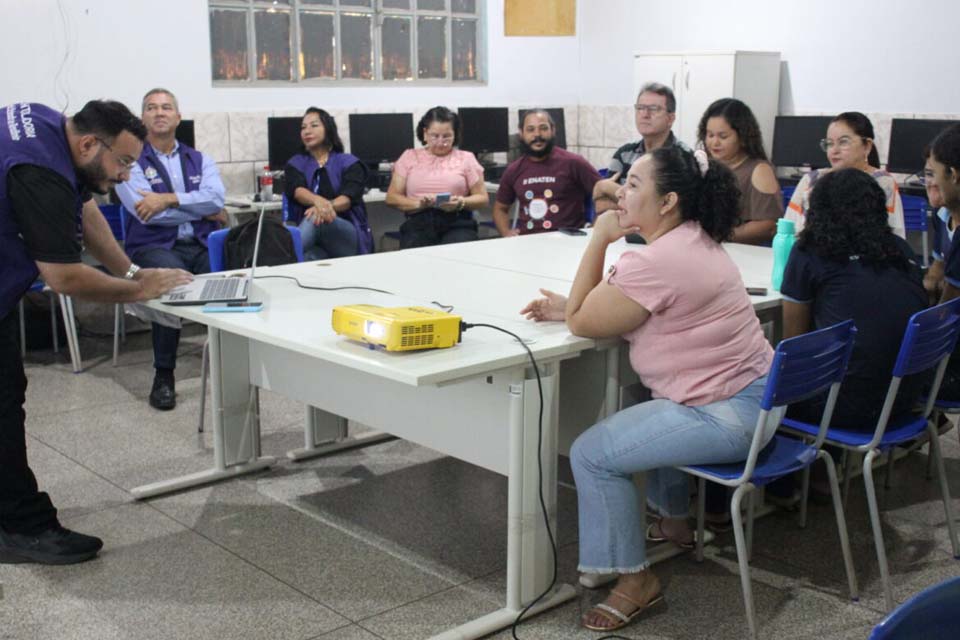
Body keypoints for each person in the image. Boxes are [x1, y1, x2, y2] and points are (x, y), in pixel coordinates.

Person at [521, 147, 772, 633]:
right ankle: (675, 522)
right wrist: (579, 307)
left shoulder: (653, 261)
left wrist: (598, 240)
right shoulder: (693, 237)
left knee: (591, 452)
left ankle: (635, 580)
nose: (619, 192)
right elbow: (620, 310)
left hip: (725, 415)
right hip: (757, 397)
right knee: (638, 396)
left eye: (633, 184)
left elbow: (583, 319)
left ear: (668, 201)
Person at [0, 100, 191, 565]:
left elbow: (87, 213)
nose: (127, 175)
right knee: (3, 403)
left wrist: (130, 273)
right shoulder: (39, 171)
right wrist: (138, 291)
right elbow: (64, 277)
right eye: (123, 161)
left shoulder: (47, 122)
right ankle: (23, 530)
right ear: (89, 143)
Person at [116, 88, 226, 411]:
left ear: (178, 117)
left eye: (166, 107)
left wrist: (168, 198)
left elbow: (217, 199)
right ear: (142, 119)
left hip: (202, 243)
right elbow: (143, 212)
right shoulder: (131, 162)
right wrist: (200, 208)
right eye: (151, 107)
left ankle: (231, 365)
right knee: (170, 280)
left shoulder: (200, 159)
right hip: (152, 247)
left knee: (230, 277)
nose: (159, 112)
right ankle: (164, 375)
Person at [785, 112, 905, 238]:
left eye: (843, 142)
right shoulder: (811, 180)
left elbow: (895, 237)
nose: (834, 150)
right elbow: (788, 231)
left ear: (867, 146)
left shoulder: (882, 182)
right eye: (830, 143)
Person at [385, 106, 489, 248]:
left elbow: (482, 198)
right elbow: (392, 198)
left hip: (457, 223)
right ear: (425, 133)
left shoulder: (466, 158)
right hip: (418, 222)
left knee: (459, 250)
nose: (441, 142)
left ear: (455, 135)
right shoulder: (409, 157)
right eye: (435, 136)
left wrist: (460, 202)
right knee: (416, 253)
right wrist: (419, 204)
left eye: (446, 136)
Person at [284, 107, 372, 260]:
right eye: (303, 127)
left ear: (328, 129)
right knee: (311, 257)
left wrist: (324, 208)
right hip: (311, 238)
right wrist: (318, 201)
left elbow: (348, 198)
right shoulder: (296, 163)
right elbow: (297, 190)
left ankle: (282, 259)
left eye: (314, 125)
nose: (307, 131)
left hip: (346, 233)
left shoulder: (348, 162)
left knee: (315, 219)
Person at [493, 109, 600, 236]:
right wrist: (506, 233)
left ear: (553, 130)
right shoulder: (513, 170)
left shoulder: (574, 163)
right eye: (530, 129)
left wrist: (595, 231)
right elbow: (500, 209)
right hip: (527, 243)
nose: (537, 134)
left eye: (543, 128)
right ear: (521, 134)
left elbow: (606, 196)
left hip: (568, 242)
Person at [593, 83, 689, 214]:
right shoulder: (624, 154)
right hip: (619, 232)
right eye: (640, 108)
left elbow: (672, 212)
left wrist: (606, 187)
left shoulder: (683, 157)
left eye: (654, 109)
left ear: (670, 118)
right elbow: (602, 206)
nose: (645, 114)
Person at [697, 98, 782, 245]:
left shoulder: (759, 170)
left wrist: (718, 236)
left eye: (723, 136)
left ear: (743, 137)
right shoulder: (704, 166)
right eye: (710, 135)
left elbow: (768, 226)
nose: (714, 143)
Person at [925, 124, 960, 399]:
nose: (932, 182)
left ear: (954, 175)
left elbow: (947, 313)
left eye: (934, 174)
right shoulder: (944, 218)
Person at [922, 145, 951, 302]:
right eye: (928, 174)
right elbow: (938, 263)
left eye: (937, 174)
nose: (932, 182)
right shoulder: (941, 213)